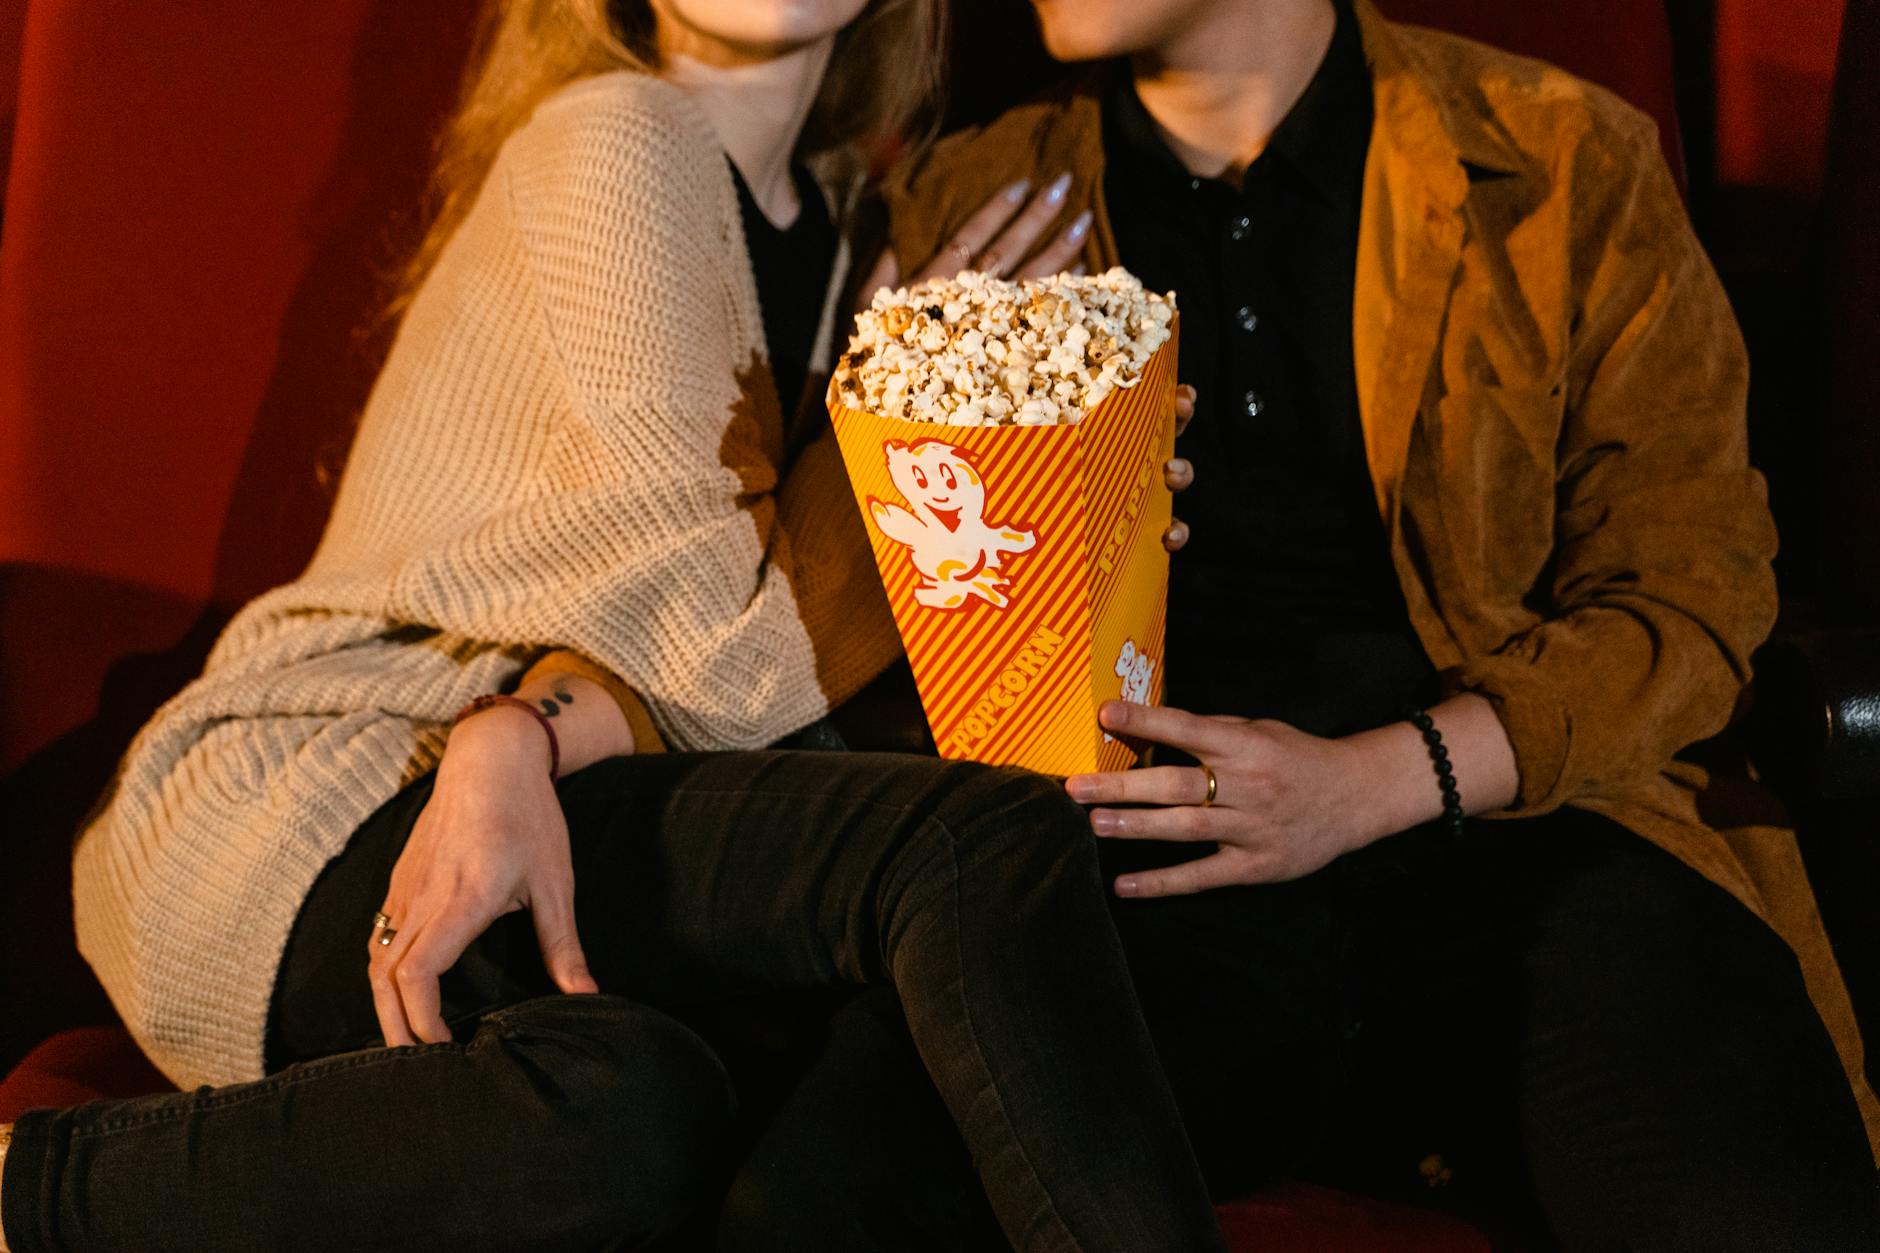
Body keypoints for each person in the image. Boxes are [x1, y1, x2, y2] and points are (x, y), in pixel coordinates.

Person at [0, 2, 1225, 1251]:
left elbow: (788, 681)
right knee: (975, 849)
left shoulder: (852, 218)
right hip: (327, 791)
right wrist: (920, 441)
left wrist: (1066, 494)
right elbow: (709, 645)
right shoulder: (618, 138)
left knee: (641, 1112)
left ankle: (33, 1195)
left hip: (561, 776)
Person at [705, 0, 1880, 1248]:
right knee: (810, 1202)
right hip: (1137, 853)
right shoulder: (977, 195)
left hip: (1528, 823)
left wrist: (1373, 781)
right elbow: (867, 645)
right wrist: (901, 415)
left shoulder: (1560, 157)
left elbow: (1692, 599)